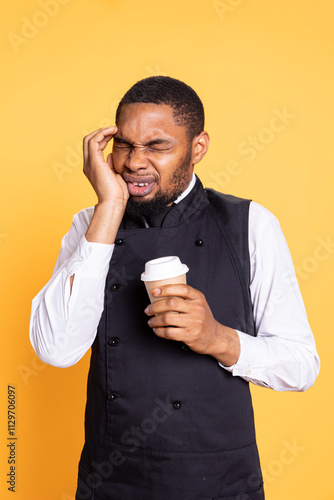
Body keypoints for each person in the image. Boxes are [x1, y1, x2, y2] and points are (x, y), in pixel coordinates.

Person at [29, 76, 320, 500]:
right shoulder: (89, 226)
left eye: (157, 146)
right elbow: (55, 349)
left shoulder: (250, 225)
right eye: (124, 145)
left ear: (197, 148)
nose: (133, 162)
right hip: (113, 480)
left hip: (220, 480)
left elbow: (301, 366)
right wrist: (109, 209)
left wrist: (219, 338)